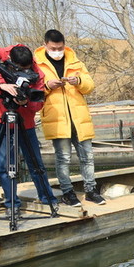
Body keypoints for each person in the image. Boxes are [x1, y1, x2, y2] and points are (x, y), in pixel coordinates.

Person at [0, 44, 56, 213]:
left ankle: (48, 198)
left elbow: (37, 103)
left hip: (24, 122)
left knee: (35, 163)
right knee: (4, 164)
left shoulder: (38, 73)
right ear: (11, 60)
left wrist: (25, 102)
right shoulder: (0, 55)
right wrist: (1, 83)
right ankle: (12, 204)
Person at [33, 29, 106, 206]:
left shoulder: (74, 60)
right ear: (45, 45)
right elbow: (33, 91)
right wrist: (48, 86)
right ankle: (68, 192)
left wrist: (79, 82)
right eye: (53, 48)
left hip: (78, 117)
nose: (57, 51)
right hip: (56, 118)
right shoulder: (37, 64)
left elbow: (90, 85)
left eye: (60, 48)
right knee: (63, 158)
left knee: (87, 156)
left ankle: (90, 190)